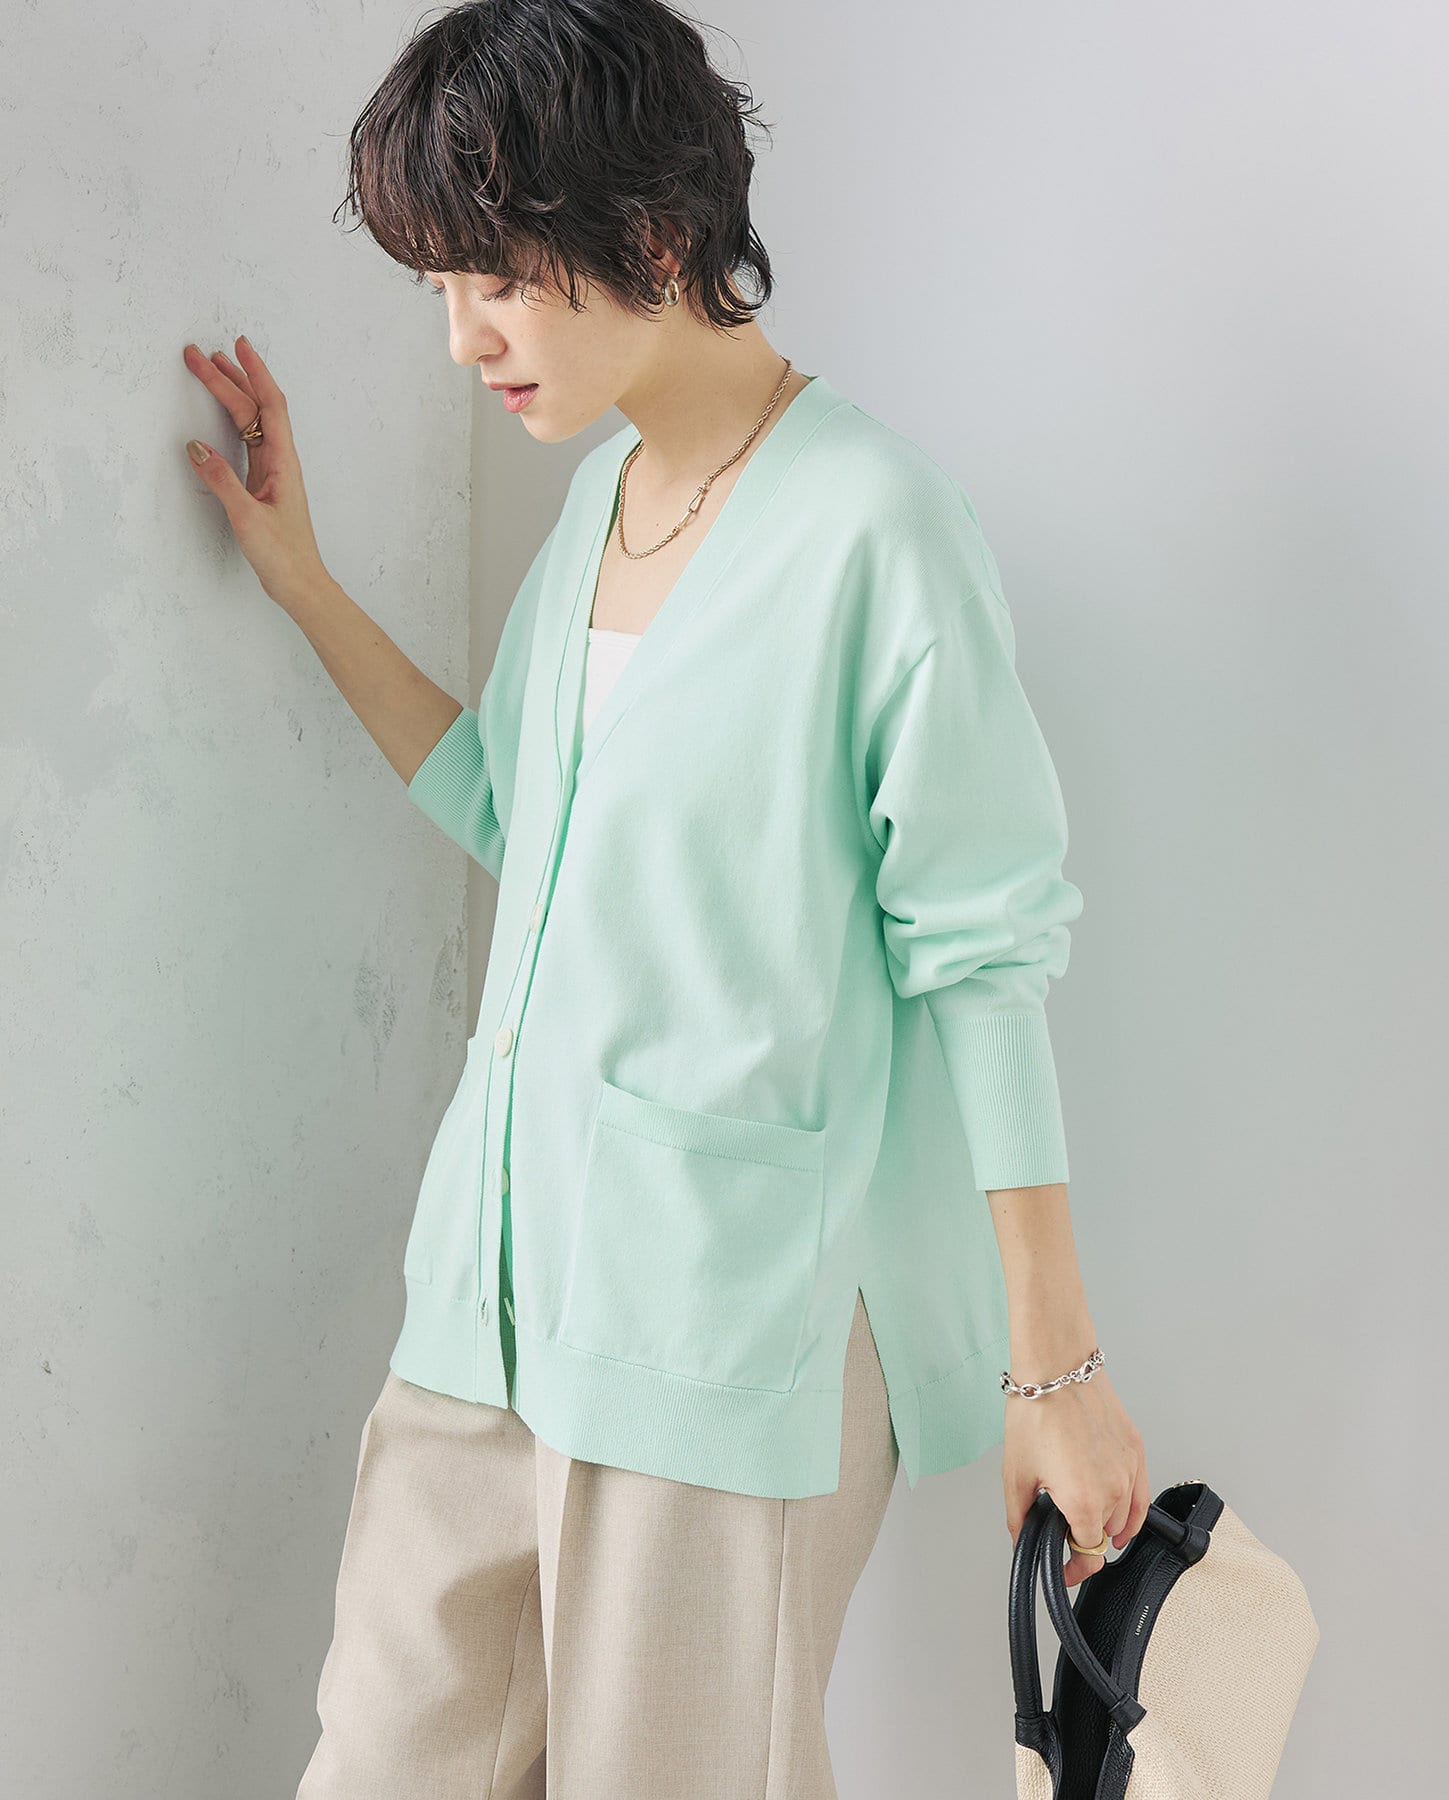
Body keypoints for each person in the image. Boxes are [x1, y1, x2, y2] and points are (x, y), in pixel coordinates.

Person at [180, 3, 1149, 1794]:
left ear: (652, 230)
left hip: (728, 1319)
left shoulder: (878, 530)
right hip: (493, 1293)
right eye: (442, 289)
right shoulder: (603, 508)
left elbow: (984, 956)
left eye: (496, 281)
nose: (464, 338)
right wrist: (306, 583)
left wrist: (1057, 1372)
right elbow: (511, 805)